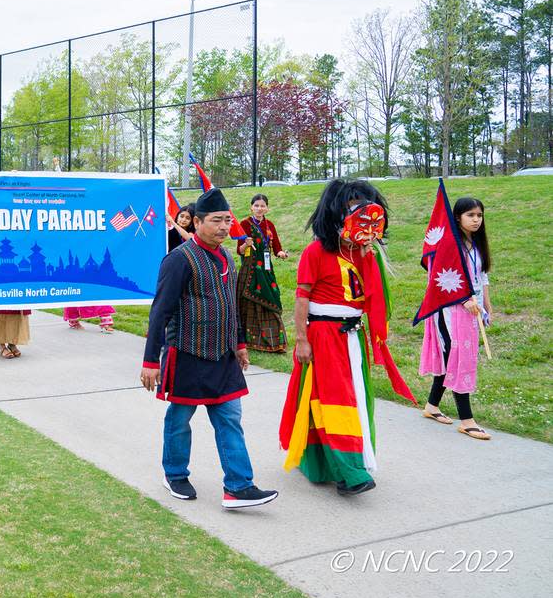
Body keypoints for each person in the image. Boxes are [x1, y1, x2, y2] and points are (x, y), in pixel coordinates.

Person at [140, 188, 278, 509]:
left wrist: (240, 345)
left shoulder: (228, 257)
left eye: (227, 221)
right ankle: (174, 473)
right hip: (186, 352)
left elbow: (231, 306)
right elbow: (160, 310)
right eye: (216, 221)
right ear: (197, 222)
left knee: (230, 418)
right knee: (179, 418)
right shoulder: (178, 260)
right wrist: (150, 361)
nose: (224, 227)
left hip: (223, 356)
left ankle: (238, 486)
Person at [279, 179, 416, 497]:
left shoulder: (366, 255)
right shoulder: (316, 252)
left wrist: (370, 256)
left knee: (355, 400)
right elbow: (302, 298)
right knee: (334, 403)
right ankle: (349, 472)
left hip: (354, 337)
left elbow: (374, 299)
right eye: (351, 207)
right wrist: (302, 339)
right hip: (325, 335)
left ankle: (339, 461)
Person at [420, 197, 494, 441]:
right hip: (451, 311)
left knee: (450, 357)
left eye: (479, 215)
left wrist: (487, 307)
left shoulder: (477, 244)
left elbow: (482, 277)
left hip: (473, 310)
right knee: (459, 357)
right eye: (470, 215)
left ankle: (432, 406)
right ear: (458, 217)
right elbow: (440, 279)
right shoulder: (450, 245)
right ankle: (467, 420)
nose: (476, 220)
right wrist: (464, 300)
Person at [236, 194, 290, 353]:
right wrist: (246, 244)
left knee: (271, 297)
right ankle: (246, 339)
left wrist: (281, 254)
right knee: (247, 302)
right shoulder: (244, 224)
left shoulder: (270, 225)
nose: (259, 208)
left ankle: (273, 341)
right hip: (250, 268)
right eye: (256, 205)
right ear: (251, 207)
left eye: (262, 206)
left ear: (267, 208)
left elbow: (277, 248)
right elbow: (239, 251)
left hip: (266, 269)